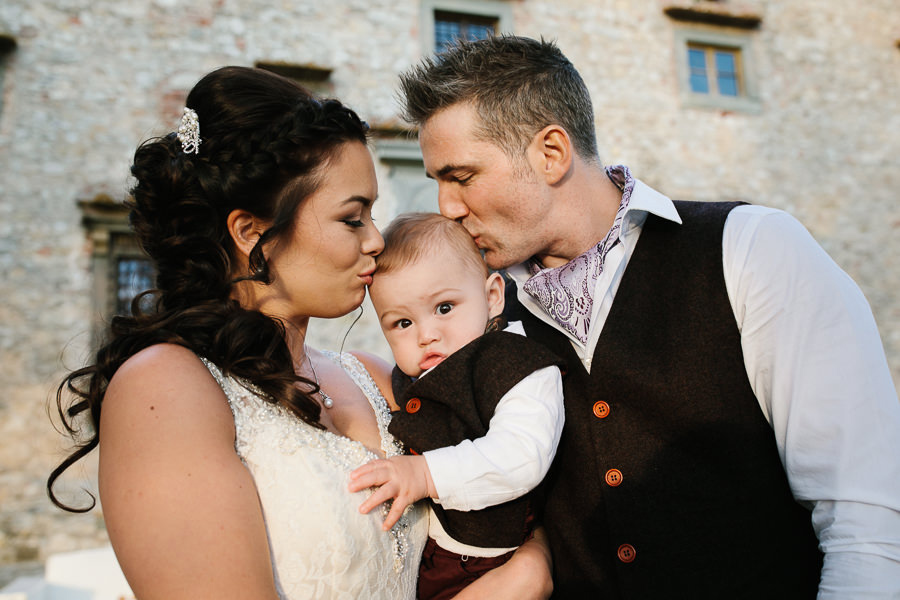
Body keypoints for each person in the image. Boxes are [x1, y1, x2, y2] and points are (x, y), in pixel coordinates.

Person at [395, 35, 900, 598]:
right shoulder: (473, 317)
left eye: (460, 176)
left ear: (551, 153)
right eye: (436, 181)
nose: (446, 207)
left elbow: (866, 522)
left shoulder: (750, 249)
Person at [47, 66, 553, 600]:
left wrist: (537, 553)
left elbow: (506, 501)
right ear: (251, 232)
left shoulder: (380, 376)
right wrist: (518, 584)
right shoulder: (164, 389)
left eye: (373, 216)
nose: (377, 240)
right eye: (352, 218)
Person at [348, 213, 565, 600]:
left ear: (492, 296)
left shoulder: (520, 368)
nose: (427, 335)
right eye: (401, 323)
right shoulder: (407, 379)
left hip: (492, 562)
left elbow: (520, 456)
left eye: (444, 308)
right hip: (430, 559)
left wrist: (425, 474)